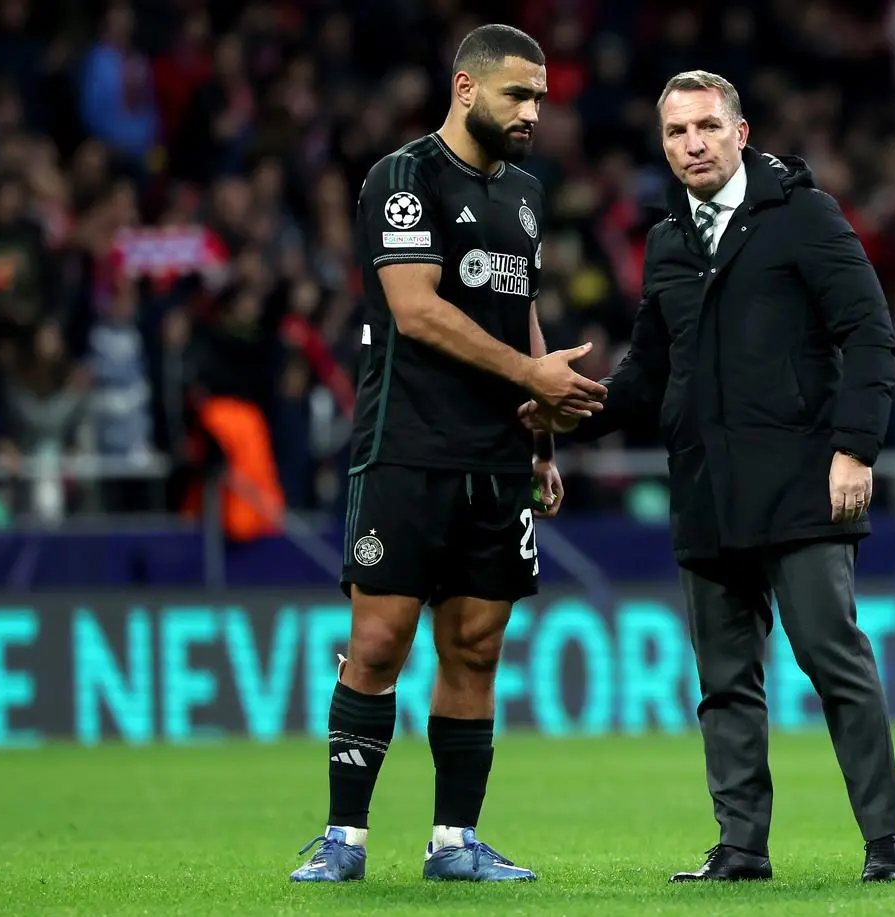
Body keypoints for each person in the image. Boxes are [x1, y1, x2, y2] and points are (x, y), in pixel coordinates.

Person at [520, 71, 895, 884]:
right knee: (725, 684)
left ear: (740, 132)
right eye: (674, 134)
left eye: (704, 127)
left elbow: (870, 331)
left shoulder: (803, 216)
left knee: (833, 659)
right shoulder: (668, 243)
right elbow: (649, 373)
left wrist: (855, 449)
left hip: (803, 484)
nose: (691, 144)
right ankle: (741, 847)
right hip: (705, 489)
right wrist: (568, 412)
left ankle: (883, 842)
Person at [289, 24, 607, 884]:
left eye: (540, 97)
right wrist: (531, 373)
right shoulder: (403, 178)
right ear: (467, 89)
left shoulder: (529, 196)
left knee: (475, 645)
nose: (534, 111)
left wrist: (540, 427)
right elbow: (416, 310)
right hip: (405, 447)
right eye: (518, 94)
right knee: (381, 639)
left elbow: (521, 312)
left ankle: (454, 840)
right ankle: (343, 839)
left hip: (497, 460)